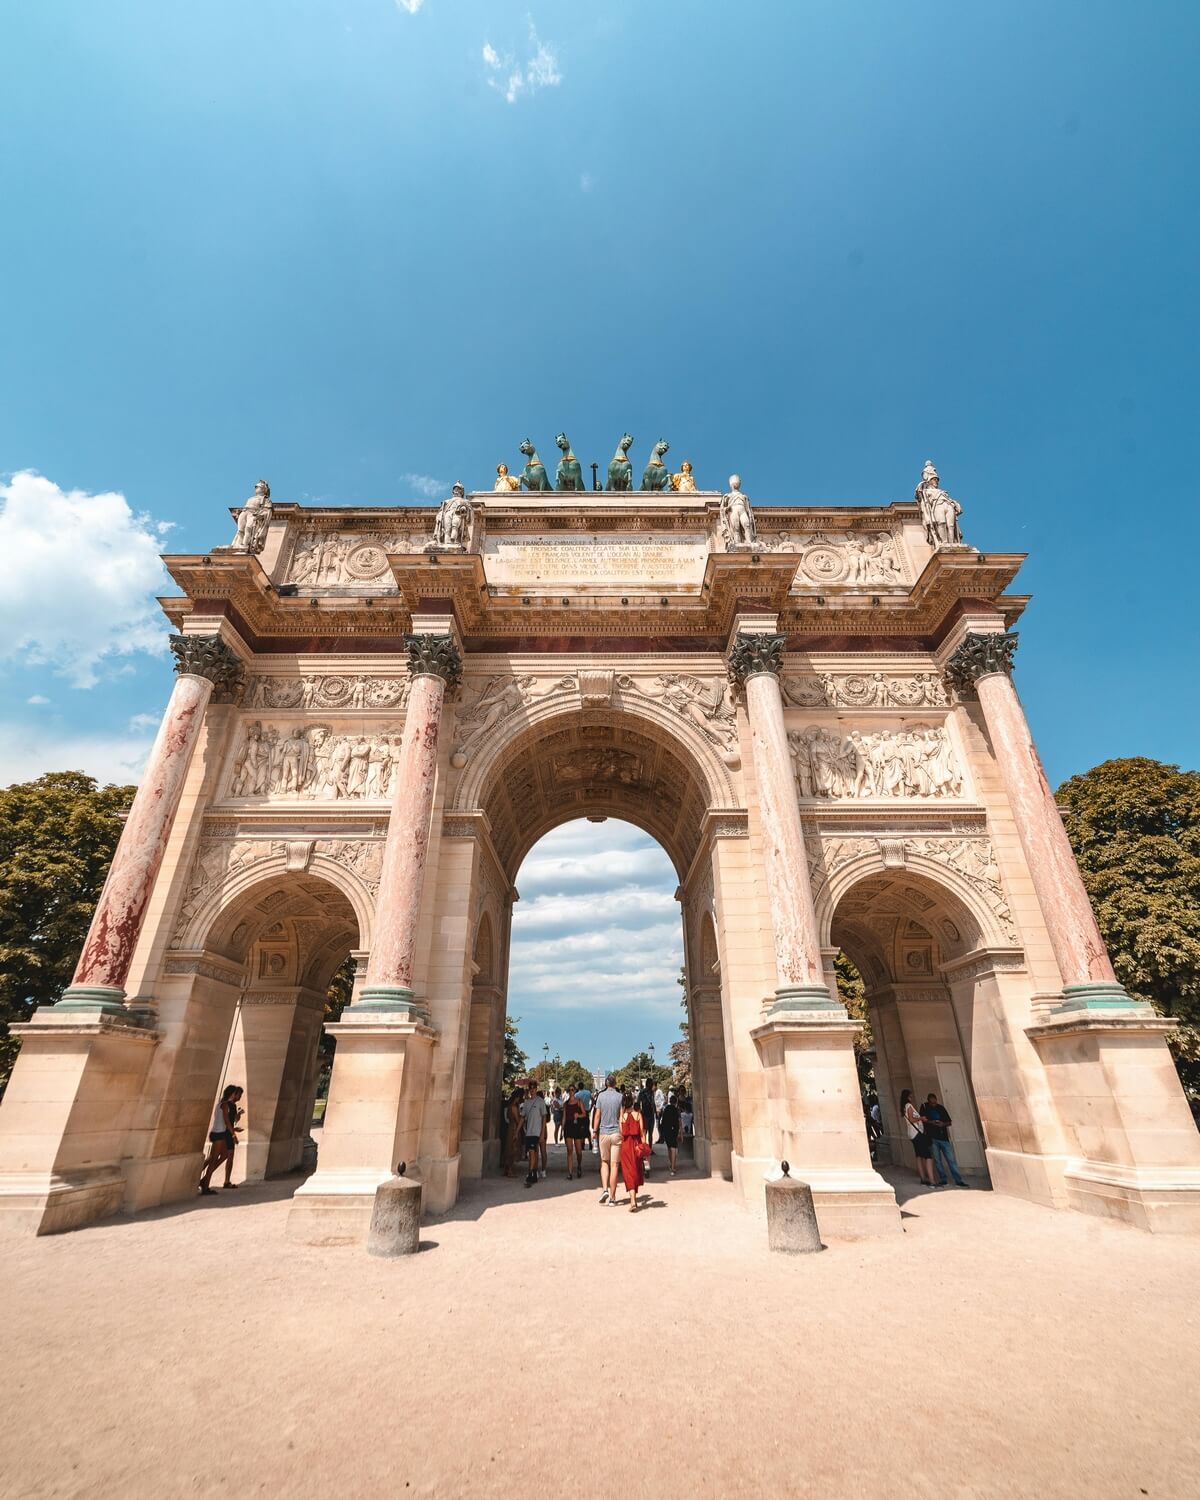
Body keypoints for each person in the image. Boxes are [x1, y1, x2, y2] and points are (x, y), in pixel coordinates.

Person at [199, 1085, 243, 1194]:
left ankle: (204, 1180)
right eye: (234, 1093)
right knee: (213, 1159)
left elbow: (226, 1122)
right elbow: (227, 1121)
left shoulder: (223, 1104)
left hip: (220, 1133)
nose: (236, 1095)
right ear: (231, 1093)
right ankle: (205, 1186)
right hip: (218, 1134)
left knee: (223, 1155)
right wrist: (233, 1135)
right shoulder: (224, 1105)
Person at [921, 1093, 968, 1187]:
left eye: (935, 1102)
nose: (934, 1104)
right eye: (932, 1103)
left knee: (951, 1160)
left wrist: (943, 1124)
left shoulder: (941, 1108)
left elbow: (949, 1122)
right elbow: (923, 1120)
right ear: (929, 1102)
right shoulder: (925, 1108)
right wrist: (932, 1122)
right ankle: (943, 1179)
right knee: (938, 1161)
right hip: (933, 1138)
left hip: (944, 1138)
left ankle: (958, 1180)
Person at [593, 1073, 624, 1204]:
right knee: (615, 1165)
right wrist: (623, 1133)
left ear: (606, 1084)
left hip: (604, 1132)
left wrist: (594, 1131)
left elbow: (597, 1115)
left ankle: (605, 1189)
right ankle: (612, 1197)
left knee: (604, 1162)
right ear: (615, 1084)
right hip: (616, 1132)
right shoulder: (620, 1097)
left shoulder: (600, 1096)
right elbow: (621, 1117)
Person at [616, 1091, 648, 1212]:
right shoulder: (638, 1115)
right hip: (635, 1146)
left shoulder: (622, 1117)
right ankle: (634, 1199)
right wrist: (644, 1147)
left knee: (628, 1173)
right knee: (635, 1170)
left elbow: (621, 1134)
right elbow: (642, 1133)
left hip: (625, 1147)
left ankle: (633, 1200)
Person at [901, 1088, 937, 1187]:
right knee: (928, 1156)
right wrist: (921, 1118)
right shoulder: (908, 1105)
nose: (912, 1097)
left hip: (912, 1134)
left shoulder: (904, 1106)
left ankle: (923, 1179)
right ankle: (932, 1181)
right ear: (907, 1097)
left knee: (919, 1156)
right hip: (916, 1134)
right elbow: (912, 1119)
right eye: (910, 1096)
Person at [520, 1083, 547, 1188]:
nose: (532, 1090)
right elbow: (523, 1117)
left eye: (533, 1089)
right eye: (530, 1089)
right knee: (533, 1153)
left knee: (532, 1152)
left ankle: (531, 1173)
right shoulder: (526, 1103)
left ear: (536, 1089)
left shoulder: (540, 1102)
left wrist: (542, 1133)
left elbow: (544, 1117)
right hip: (529, 1132)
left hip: (536, 1132)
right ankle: (534, 1172)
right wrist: (517, 1131)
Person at [562, 1086, 587, 1179]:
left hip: (576, 1126)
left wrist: (578, 1115)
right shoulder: (565, 1104)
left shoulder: (579, 1101)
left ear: (575, 1091)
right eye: (569, 1090)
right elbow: (564, 1117)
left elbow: (584, 1114)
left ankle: (579, 1165)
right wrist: (562, 1129)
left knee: (579, 1151)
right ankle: (570, 1172)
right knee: (569, 1150)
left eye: (572, 1090)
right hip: (568, 1126)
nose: (571, 1091)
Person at [658, 1092, 681, 1175]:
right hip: (674, 1130)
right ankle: (673, 1167)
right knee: (674, 1148)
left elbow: (663, 1121)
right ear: (675, 1102)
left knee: (669, 1148)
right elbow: (679, 1121)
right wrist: (680, 1133)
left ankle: (671, 1164)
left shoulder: (666, 1109)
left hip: (667, 1130)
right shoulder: (676, 1110)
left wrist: (662, 1132)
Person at [638, 1078, 657, 1173]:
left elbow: (638, 1102)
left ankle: (646, 1148)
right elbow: (652, 1103)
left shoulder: (642, 1092)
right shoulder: (650, 1092)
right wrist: (655, 1112)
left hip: (644, 1114)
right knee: (649, 1133)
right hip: (648, 1114)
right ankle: (649, 1148)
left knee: (645, 1133)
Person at [576, 1081, 593, 1152]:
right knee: (587, 1128)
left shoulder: (577, 1095)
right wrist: (590, 1108)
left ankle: (582, 1144)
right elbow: (593, 1100)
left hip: (580, 1111)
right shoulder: (588, 1092)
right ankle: (590, 1143)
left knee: (580, 1129)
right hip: (586, 1111)